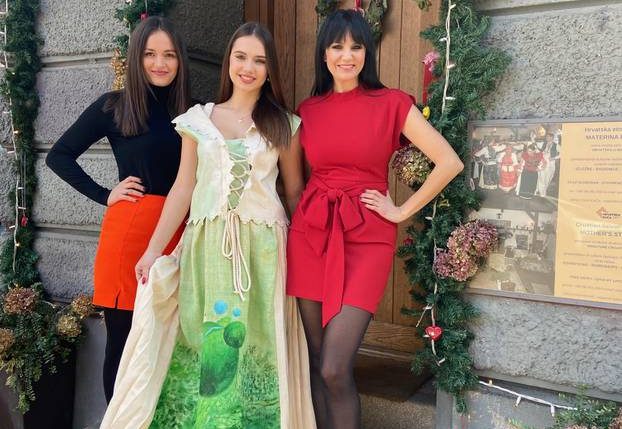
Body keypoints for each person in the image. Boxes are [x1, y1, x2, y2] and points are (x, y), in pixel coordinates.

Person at [100, 22, 315, 429]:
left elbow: (295, 193)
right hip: (206, 248)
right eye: (241, 57)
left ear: (270, 70)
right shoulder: (197, 120)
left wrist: (308, 252)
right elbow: (183, 188)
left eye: (259, 61)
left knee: (257, 345)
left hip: (264, 253)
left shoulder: (284, 125)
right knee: (203, 341)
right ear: (228, 61)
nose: (248, 68)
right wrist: (153, 250)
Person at [286, 10, 464, 429]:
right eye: (337, 46)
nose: (347, 56)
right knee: (316, 361)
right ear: (324, 54)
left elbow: (448, 162)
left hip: (367, 238)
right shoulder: (307, 110)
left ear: (367, 53)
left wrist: (400, 210)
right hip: (312, 236)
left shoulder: (392, 103)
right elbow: (294, 183)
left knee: (334, 367)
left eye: (356, 46)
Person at [45, 16, 190, 403]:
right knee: (123, 343)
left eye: (169, 55)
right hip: (129, 233)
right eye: (150, 54)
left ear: (180, 60)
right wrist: (104, 194)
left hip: (178, 232)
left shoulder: (192, 113)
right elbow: (59, 156)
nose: (160, 63)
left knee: (170, 342)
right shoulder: (114, 106)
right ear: (136, 58)